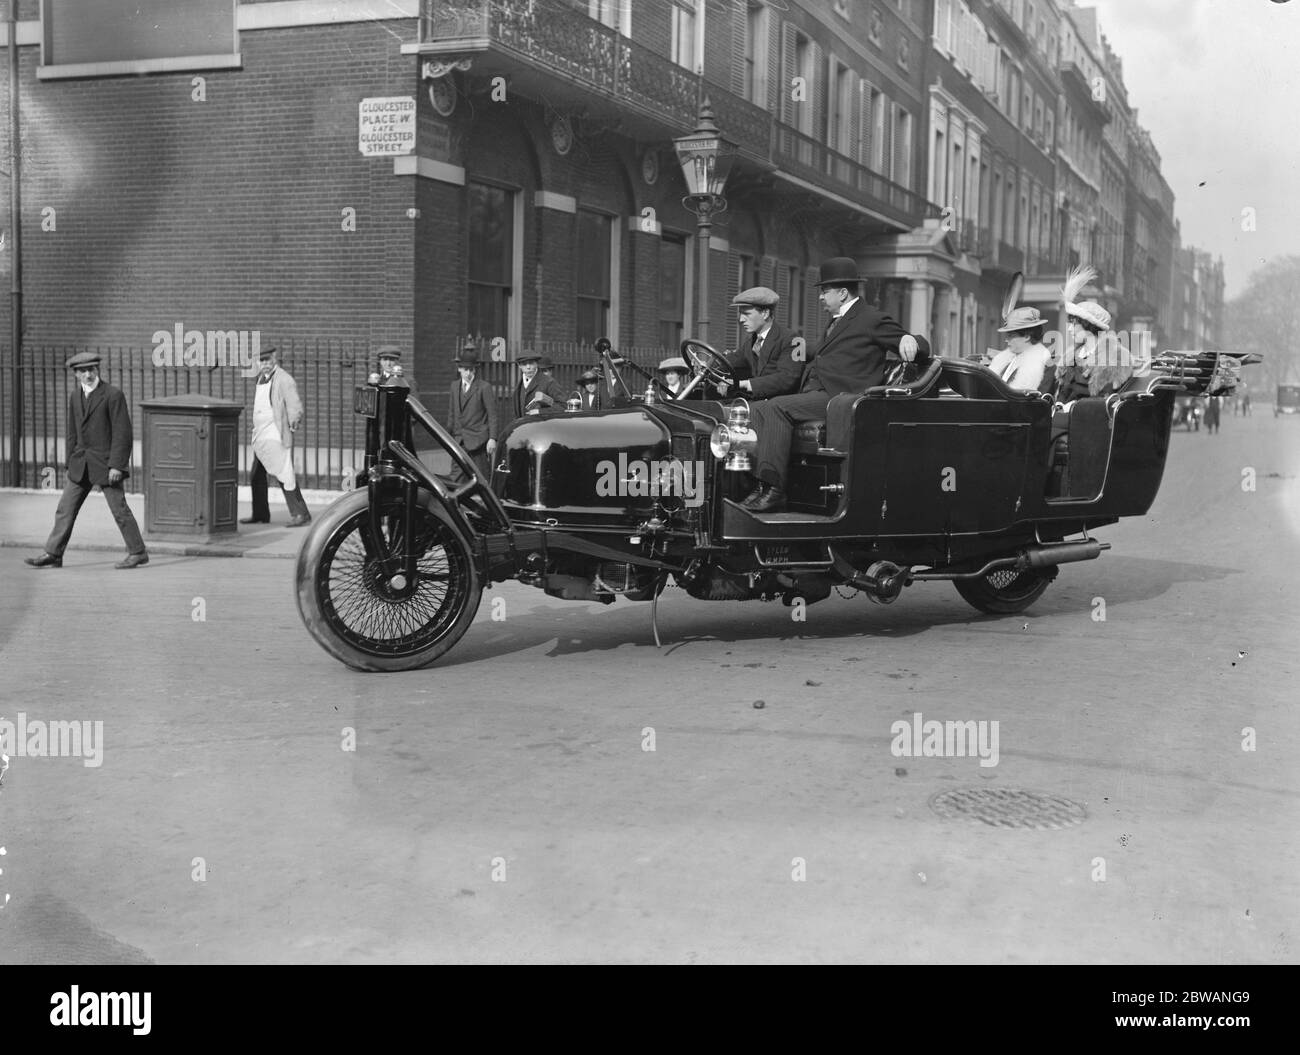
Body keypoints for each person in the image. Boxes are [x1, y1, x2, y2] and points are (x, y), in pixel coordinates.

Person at [742, 257, 929, 513]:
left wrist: (911, 339)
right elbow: (818, 352)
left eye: (824, 291)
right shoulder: (837, 320)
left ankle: (774, 488)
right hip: (821, 392)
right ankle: (761, 484)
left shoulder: (870, 318)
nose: (820, 297)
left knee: (776, 407)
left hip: (842, 398)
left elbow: (917, 345)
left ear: (842, 293)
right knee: (758, 408)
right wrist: (774, 345)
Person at [25, 352, 149, 569]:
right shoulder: (75, 397)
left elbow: (123, 434)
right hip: (80, 464)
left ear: (97, 370)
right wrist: (69, 463)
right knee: (65, 509)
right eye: (83, 371)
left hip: (106, 465)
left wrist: (117, 465)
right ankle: (53, 553)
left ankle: (138, 552)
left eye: (91, 369)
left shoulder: (113, 395)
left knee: (119, 510)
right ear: (76, 375)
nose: (88, 374)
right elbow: (72, 433)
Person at [240, 346, 311, 527]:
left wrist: (293, 423)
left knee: (283, 472)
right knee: (257, 475)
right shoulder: (261, 379)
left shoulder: (283, 379)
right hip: (262, 435)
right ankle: (261, 514)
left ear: (274, 359)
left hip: (275, 434)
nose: (264, 364)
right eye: (261, 361)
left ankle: (301, 514)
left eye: (267, 360)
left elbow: (294, 404)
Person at [720, 286, 804, 398]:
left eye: (747, 314)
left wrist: (744, 384)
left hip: (779, 403)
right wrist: (705, 365)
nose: (741, 319)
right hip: (758, 400)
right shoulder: (751, 341)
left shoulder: (795, 340)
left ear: (765, 313)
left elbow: (788, 378)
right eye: (740, 314)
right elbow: (732, 360)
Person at [446, 341, 499, 481]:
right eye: (465, 369)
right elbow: (452, 412)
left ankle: (485, 503)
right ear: (459, 369)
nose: (468, 373)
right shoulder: (454, 386)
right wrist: (448, 436)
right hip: (459, 440)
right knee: (456, 478)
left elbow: (492, 415)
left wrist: (492, 438)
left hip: (478, 441)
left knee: (482, 479)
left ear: (475, 370)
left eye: (471, 370)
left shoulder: (484, 387)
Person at [987, 307, 1053, 393]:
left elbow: (1041, 403)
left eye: (1011, 335)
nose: (1006, 340)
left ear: (1026, 336)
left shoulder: (1045, 365)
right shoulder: (1006, 360)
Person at [512, 349, 567, 416]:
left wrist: (540, 411)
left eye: (531, 363)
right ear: (519, 365)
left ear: (536, 364)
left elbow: (563, 406)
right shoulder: (519, 387)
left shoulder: (549, 382)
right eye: (524, 364)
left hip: (542, 425)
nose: (528, 367)